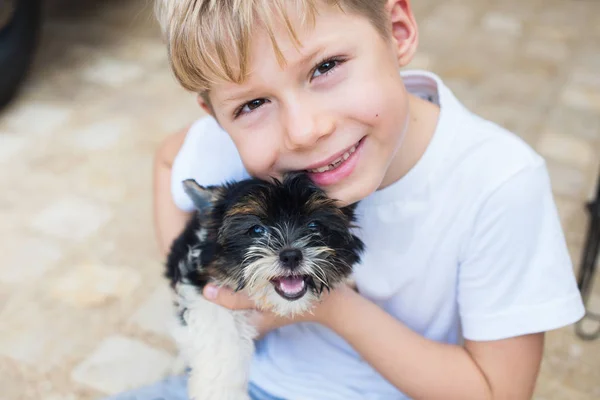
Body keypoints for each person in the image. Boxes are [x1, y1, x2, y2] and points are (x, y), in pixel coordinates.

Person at [115, 1, 585, 399]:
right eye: (253, 104)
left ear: (397, 32)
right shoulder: (228, 145)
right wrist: (202, 294)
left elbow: (495, 390)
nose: (304, 131)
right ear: (217, 118)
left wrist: (332, 305)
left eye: (325, 67)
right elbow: (167, 160)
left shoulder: (498, 180)